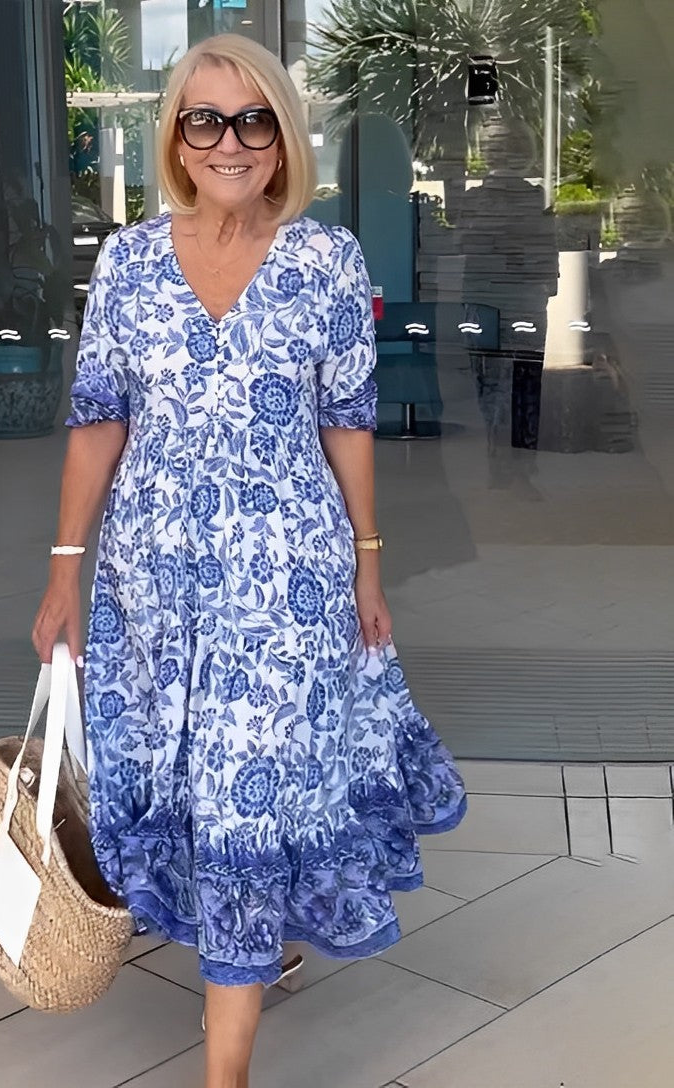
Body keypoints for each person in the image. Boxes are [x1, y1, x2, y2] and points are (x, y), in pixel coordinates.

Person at [33, 33, 466, 1088]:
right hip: (152, 579)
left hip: (286, 581)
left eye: (254, 119)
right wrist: (63, 568)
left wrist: (368, 561)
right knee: (178, 774)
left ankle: (223, 1067)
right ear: (176, 139)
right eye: (206, 120)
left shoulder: (327, 261)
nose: (230, 142)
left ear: (282, 136)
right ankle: (258, 936)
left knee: (246, 791)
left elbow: (349, 422)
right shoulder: (129, 263)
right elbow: (98, 420)